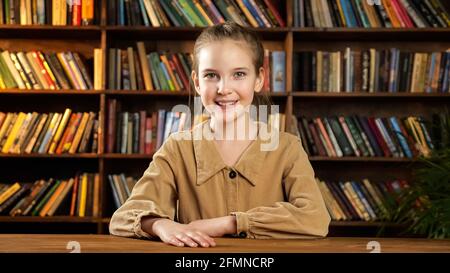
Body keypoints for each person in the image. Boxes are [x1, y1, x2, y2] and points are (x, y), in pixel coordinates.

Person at [109, 22, 330, 248]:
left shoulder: (287, 148)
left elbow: (315, 219)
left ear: (259, 79)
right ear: (196, 82)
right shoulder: (178, 148)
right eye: (212, 75)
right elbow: (123, 218)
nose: (224, 88)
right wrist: (161, 225)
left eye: (239, 74)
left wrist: (229, 224)